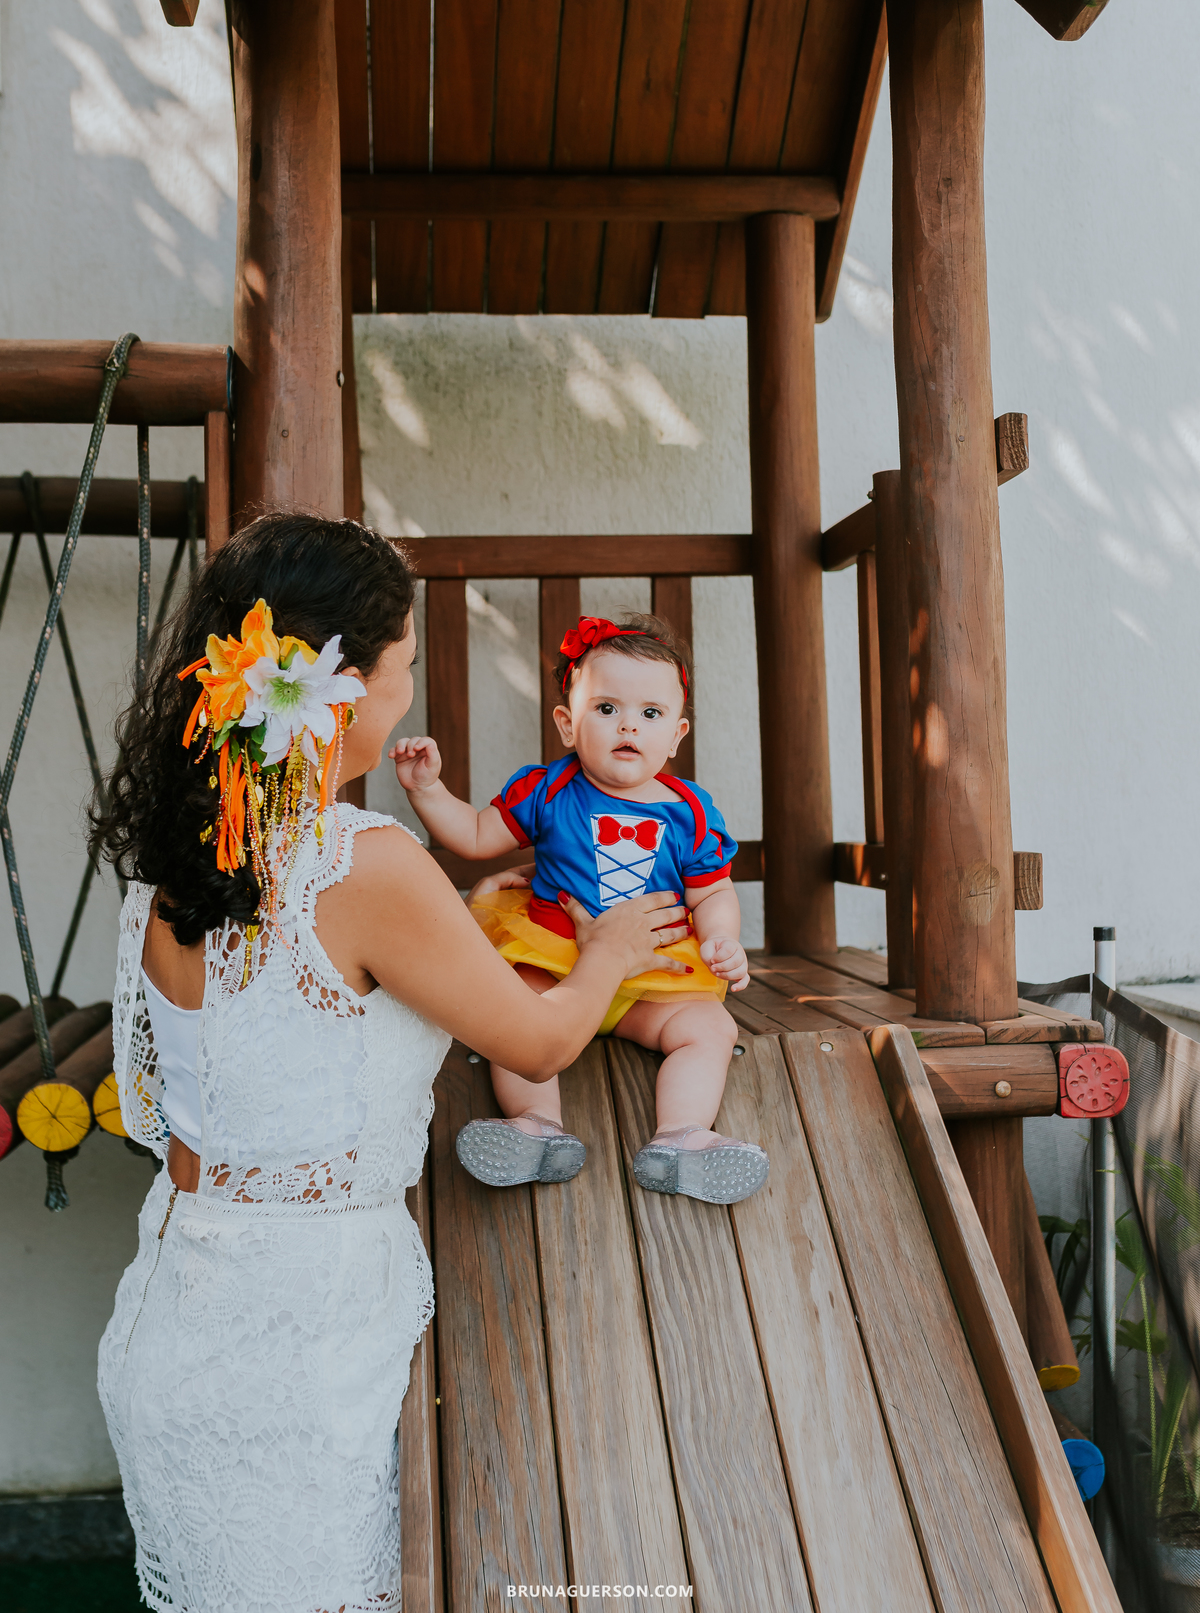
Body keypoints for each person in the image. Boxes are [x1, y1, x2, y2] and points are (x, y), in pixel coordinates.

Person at [93, 516, 686, 1613]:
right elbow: (543, 1040)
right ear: (341, 687)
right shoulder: (365, 863)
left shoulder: (177, 856)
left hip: (168, 1320)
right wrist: (604, 951)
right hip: (295, 1350)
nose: (407, 695)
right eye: (404, 668)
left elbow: (193, 1081)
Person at [391, 612, 768, 1206]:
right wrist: (427, 791)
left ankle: (682, 1136)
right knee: (513, 1010)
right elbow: (475, 835)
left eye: (651, 714)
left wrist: (722, 937)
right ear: (568, 724)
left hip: (652, 975)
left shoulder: (691, 812)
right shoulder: (548, 790)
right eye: (607, 708)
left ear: (677, 735)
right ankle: (537, 1126)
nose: (629, 727)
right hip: (558, 961)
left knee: (710, 1027)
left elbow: (713, 891)